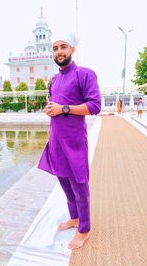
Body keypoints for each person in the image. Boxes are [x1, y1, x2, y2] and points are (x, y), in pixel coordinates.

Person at [38, 32, 101, 249]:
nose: (59, 52)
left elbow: (94, 106)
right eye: (55, 49)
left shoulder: (85, 75)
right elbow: (56, 105)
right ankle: (74, 218)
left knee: (79, 187)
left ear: (72, 50)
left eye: (63, 47)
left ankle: (84, 229)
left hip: (74, 143)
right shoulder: (54, 80)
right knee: (64, 184)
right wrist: (51, 109)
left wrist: (63, 109)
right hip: (56, 142)